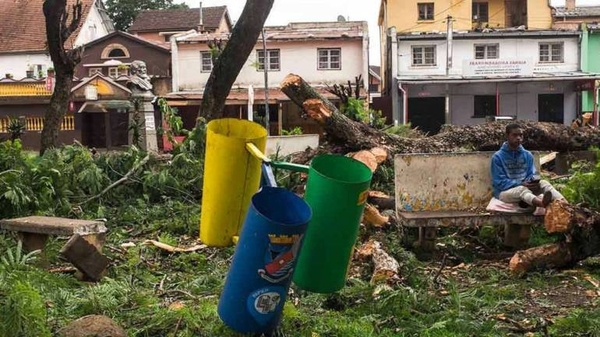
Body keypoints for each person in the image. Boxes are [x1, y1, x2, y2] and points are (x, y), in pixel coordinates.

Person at [491, 123, 565, 208]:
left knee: (544, 183)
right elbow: (499, 182)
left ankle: (565, 204)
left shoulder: (527, 155)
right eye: (514, 135)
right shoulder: (497, 157)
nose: (518, 138)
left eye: (521, 135)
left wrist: (533, 181)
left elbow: (532, 174)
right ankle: (541, 203)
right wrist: (521, 183)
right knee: (521, 190)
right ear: (507, 136)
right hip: (504, 192)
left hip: (527, 189)